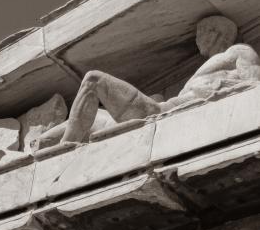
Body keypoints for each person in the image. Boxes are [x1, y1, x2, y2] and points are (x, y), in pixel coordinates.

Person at [60, 16, 260, 143]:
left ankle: (65, 149)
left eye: (202, 32)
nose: (197, 38)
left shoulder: (239, 51)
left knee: (94, 80)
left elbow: (254, 85)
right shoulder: (210, 69)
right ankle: (47, 149)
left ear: (217, 33)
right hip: (162, 110)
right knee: (93, 114)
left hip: (159, 114)